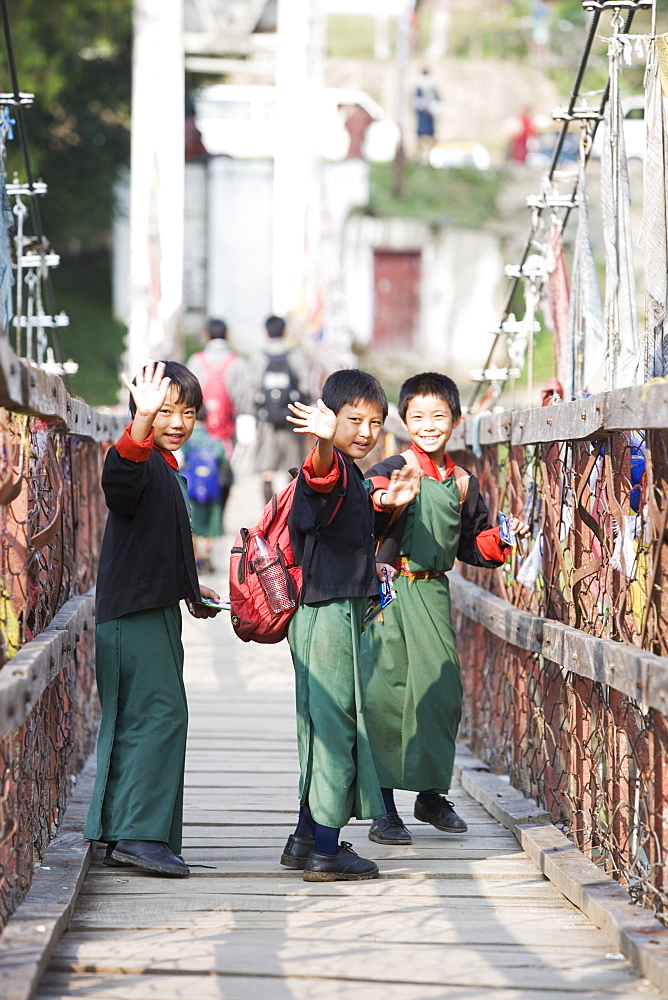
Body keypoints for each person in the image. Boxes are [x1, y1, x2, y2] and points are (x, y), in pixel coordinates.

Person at [360, 372, 530, 845]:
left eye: (439, 416)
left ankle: (431, 795)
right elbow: (363, 509)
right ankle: (384, 809)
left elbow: (472, 545)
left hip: (433, 592)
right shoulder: (389, 468)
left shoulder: (461, 481)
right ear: (404, 419)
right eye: (418, 416)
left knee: (440, 696)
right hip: (387, 592)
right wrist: (385, 499)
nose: (429, 425)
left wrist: (500, 538)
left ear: (457, 419)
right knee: (385, 698)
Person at [280, 370, 420, 881]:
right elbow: (318, 479)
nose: (365, 431)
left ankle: (303, 837)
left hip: (320, 613)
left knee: (318, 725)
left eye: (376, 422)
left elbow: (342, 524)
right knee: (337, 727)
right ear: (329, 419)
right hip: (329, 616)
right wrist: (319, 443)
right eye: (353, 419)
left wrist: (387, 507)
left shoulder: (351, 474)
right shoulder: (328, 466)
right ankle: (326, 849)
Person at [84, 361, 222, 878]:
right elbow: (117, 480)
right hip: (134, 614)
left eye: (188, 412)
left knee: (144, 716)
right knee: (160, 715)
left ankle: (124, 830)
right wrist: (140, 423)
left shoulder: (164, 467)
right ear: (141, 412)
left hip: (152, 608)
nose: (178, 421)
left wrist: (191, 587)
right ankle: (139, 835)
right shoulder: (140, 461)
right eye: (164, 411)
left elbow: (159, 543)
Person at [250, 315, 311, 503]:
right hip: (291, 422)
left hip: (267, 423)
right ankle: (289, 515)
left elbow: (252, 391)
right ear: (285, 332)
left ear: (266, 332)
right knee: (292, 471)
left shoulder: (258, 357)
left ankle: (269, 515)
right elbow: (305, 388)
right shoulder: (296, 356)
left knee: (267, 473)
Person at [181, 405, 233, 573]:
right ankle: (207, 552)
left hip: (190, 487)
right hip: (211, 488)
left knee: (192, 523)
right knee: (210, 522)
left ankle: (196, 558)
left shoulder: (184, 441)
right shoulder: (214, 441)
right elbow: (224, 463)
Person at [186, 318, 247, 458]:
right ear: (227, 335)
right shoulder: (238, 362)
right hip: (228, 428)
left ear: (206, 335)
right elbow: (243, 398)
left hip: (199, 427)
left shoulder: (196, 360)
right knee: (225, 462)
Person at [414, 69, 441, 164]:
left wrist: (432, 109)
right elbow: (416, 102)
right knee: (421, 141)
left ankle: (429, 160)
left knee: (430, 141)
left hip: (430, 120)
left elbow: (438, 103)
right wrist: (424, 107)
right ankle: (421, 160)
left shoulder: (432, 89)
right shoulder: (419, 89)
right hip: (422, 121)